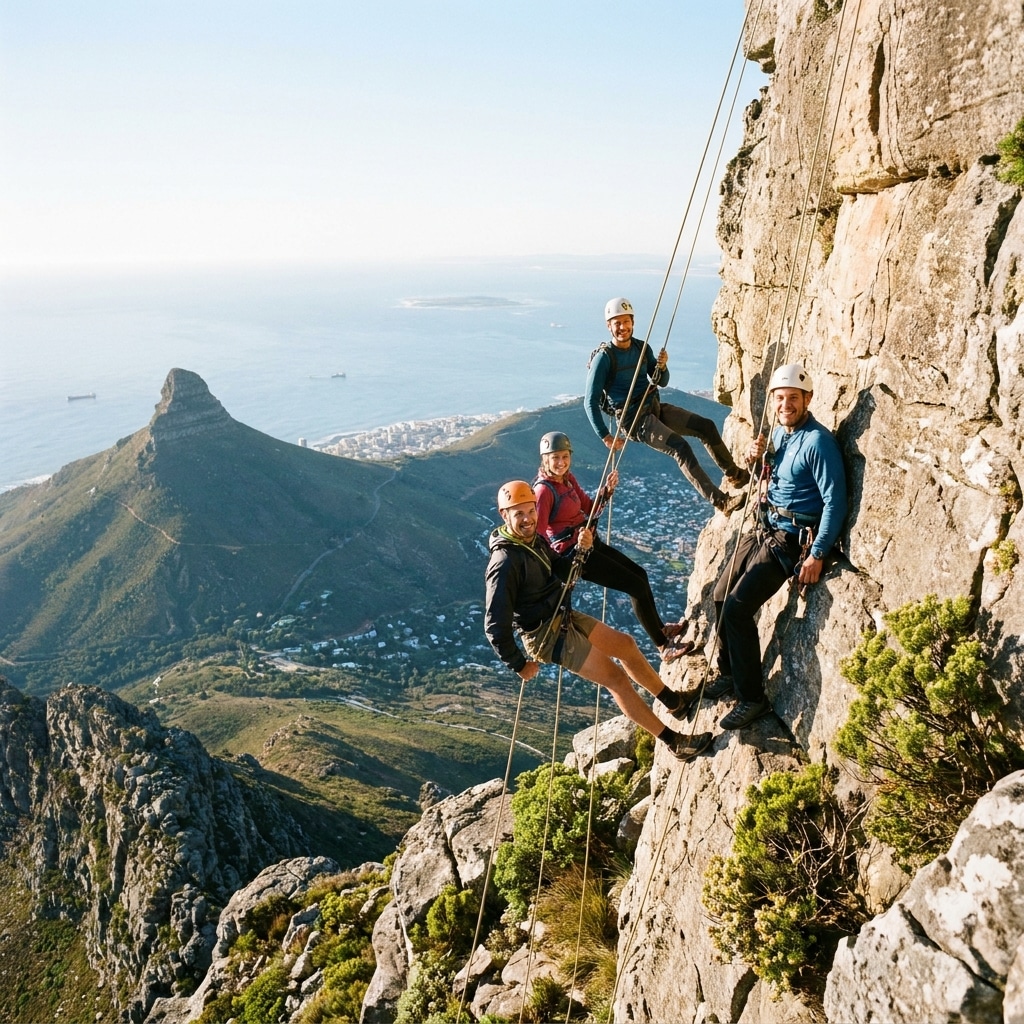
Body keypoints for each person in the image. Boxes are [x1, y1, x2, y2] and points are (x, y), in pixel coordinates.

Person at [484, 480, 713, 761]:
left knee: (625, 645)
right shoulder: (505, 561)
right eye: (518, 513)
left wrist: (581, 549)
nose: (527, 519)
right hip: (546, 636)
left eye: (531, 511)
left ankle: (674, 702)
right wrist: (519, 664)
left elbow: (560, 569)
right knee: (616, 679)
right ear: (504, 515)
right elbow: (495, 625)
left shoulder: (534, 540)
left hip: (560, 615)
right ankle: (674, 742)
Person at [704, 363, 847, 730]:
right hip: (765, 526)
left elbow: (835, 502)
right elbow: (781, 475)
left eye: (793, 398)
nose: (786, 405)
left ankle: (752, 699)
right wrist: (760, 459)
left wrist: (817, 554)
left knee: (737, 609)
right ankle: (730, 672)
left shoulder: (818, 442)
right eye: (780, 399)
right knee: (719, 596)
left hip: (789, 540)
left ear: (808, 399)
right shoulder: (782, 434)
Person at [532, 430, 693, 663]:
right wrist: (558, 566)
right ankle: (663, 646)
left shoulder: (567, 479)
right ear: (545, 459)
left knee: (640, 574)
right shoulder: (543, 491)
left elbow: (589, 507)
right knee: (635, 586)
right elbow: (539, 537)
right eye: (555, 457)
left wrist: (606, 491)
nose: (561, 462)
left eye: (565, 456)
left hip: (590, 542)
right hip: (576, 555)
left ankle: (661, 629)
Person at [584, 297, 749, 514]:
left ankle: (735, 475)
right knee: (681, 448)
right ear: (609, 326)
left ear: (633, 322)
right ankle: (721, 502)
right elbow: (590, 401)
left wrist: (662, 367)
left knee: (705, 426)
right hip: (635, 419)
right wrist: (605, 435)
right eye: (617, 323)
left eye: (626, 322)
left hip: (654, 406)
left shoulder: (642, 348)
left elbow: (661, 381)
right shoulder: (604, 358)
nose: (622, 327)